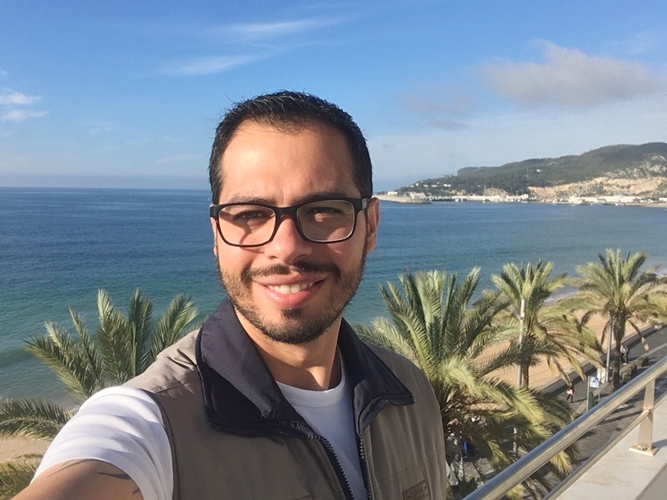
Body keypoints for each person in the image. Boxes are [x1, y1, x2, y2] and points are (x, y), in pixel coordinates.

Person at [17, 91, 448, 500]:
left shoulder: (410, 392)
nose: (286, 247)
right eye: (250, 214)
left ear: (370, 225)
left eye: (323, 210)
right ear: (216, 236)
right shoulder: (158, 424)